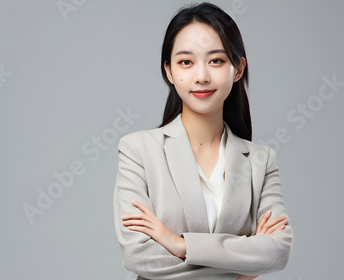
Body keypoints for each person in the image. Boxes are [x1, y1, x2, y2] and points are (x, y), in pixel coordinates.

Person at [112, 2, 293, 279]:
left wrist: (180, 244)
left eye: (216, 60)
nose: (201, 76)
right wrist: (241, 269)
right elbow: (139, 256)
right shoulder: (138, 150)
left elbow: (276, 252)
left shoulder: (261, 160)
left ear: (238, 68)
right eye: (186, 61)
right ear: (169, 71)